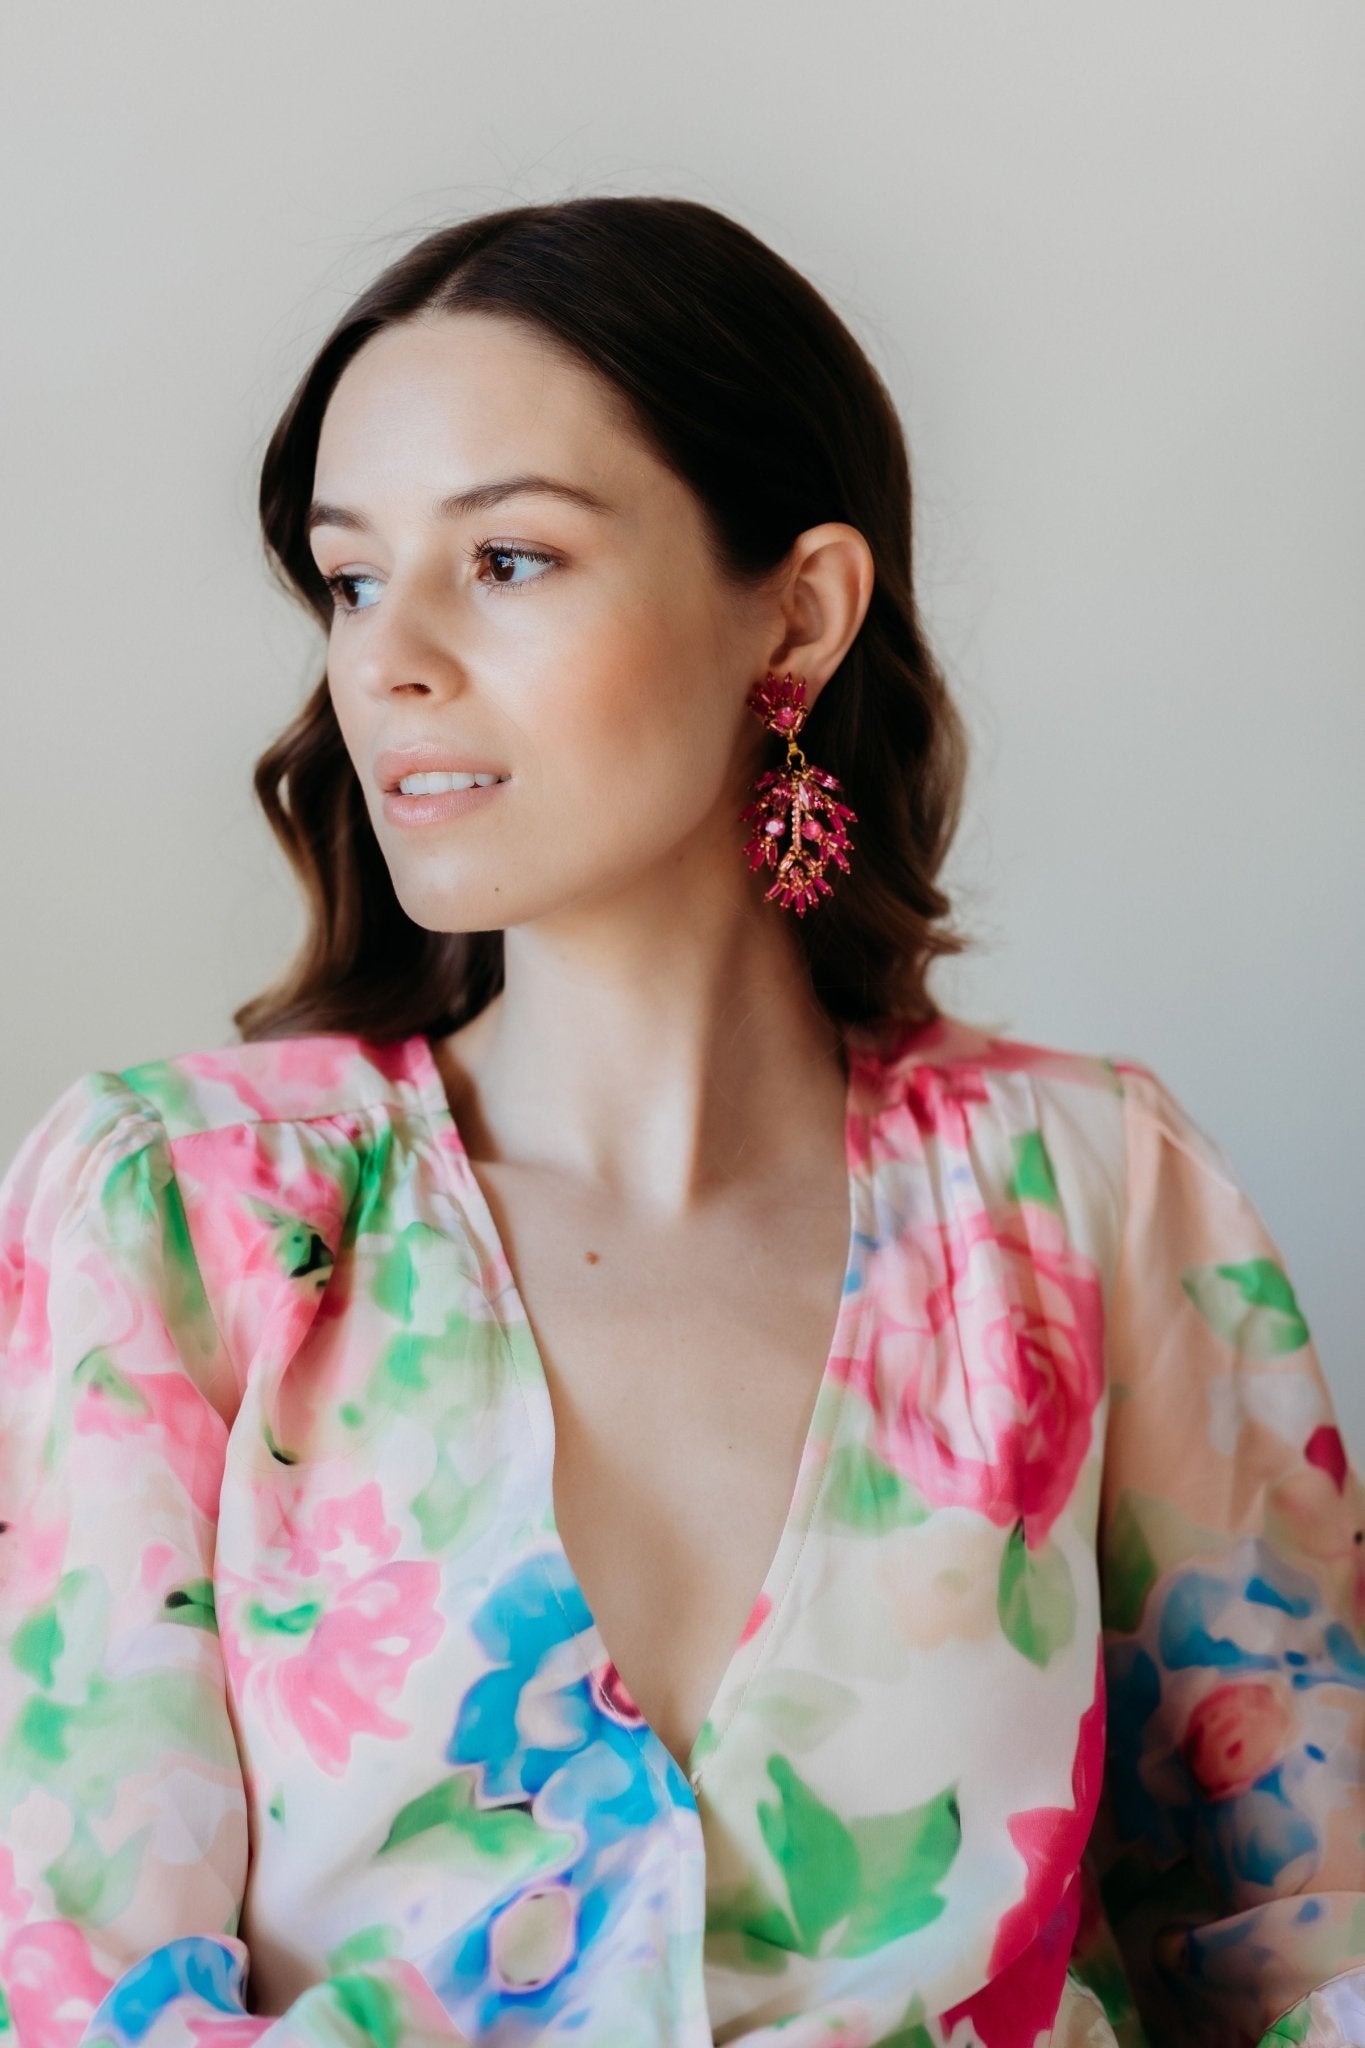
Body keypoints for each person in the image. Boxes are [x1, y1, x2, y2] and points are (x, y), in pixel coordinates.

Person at [0, 195, 1360, 2048]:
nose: (386, 658)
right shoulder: (183, 1213)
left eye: (506, 560)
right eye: (349, 578)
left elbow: (1304, 1939)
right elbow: (71, 1985)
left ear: (796, 613)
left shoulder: (1095, 1195)